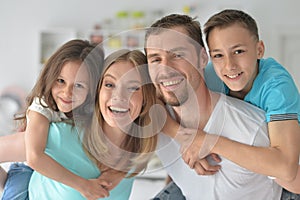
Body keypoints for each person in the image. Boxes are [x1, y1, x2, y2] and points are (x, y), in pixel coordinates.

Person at [144, 13, 291, 199]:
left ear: (203, 59)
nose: (165, 69)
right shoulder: (152, 116)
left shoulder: (255, 125)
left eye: (178, 55)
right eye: (155, 59)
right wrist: (183, 136)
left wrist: (209, 142)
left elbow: (290, 173)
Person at [1, 48, 161, 199]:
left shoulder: (137, 151)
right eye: (109, 84)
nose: (119, 96)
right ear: (97, 92)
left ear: (147, 98)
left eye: (133, 87)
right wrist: (11, 186)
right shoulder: (60, 136)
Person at [194, 9, 300, 195]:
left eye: (238, 51)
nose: (229, 65)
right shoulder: (211, 74)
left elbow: (286, 169)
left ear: (259, 50)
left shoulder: (277, 87)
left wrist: (208, 141)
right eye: (218, 55)